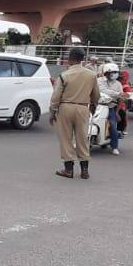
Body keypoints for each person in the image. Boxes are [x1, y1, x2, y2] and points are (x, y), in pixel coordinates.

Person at [49, 47, 100, 178]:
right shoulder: (91, 75)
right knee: (82, 138)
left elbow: (56, 96)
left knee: (66, 138)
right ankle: (84, 170)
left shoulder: (64, 75)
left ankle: (68, 169)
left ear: (69, 59)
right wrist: (93, 105)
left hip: (65, 107)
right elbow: (96, 94)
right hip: (83, 107)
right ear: (82, 59)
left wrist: (52, 111)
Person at [96, 62, 125, 154]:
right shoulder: (99, 81)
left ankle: (114, 147)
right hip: (97, 106)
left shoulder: (118, 84)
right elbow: (102, 90)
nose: (113, 74)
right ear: (105, 73)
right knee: (85, 123)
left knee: (113, 125)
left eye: (115, 72)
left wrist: (117, 112)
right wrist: (118, 94)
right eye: (111, 72)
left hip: (110, 107)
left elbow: (121, 99)